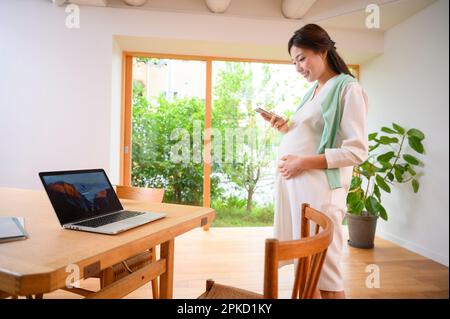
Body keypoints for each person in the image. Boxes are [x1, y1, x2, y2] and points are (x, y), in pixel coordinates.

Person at [260, 24, 369, 299]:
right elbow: (314, 134)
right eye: (293, 61)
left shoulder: (348, 88)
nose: (297, 67)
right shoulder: (313, 92)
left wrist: (302, 163)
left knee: (326, 272)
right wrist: (285, 127)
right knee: (307, 269)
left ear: (322, 51)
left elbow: (357, 151)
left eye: (301, 58)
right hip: (302, 192)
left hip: (321, 194)